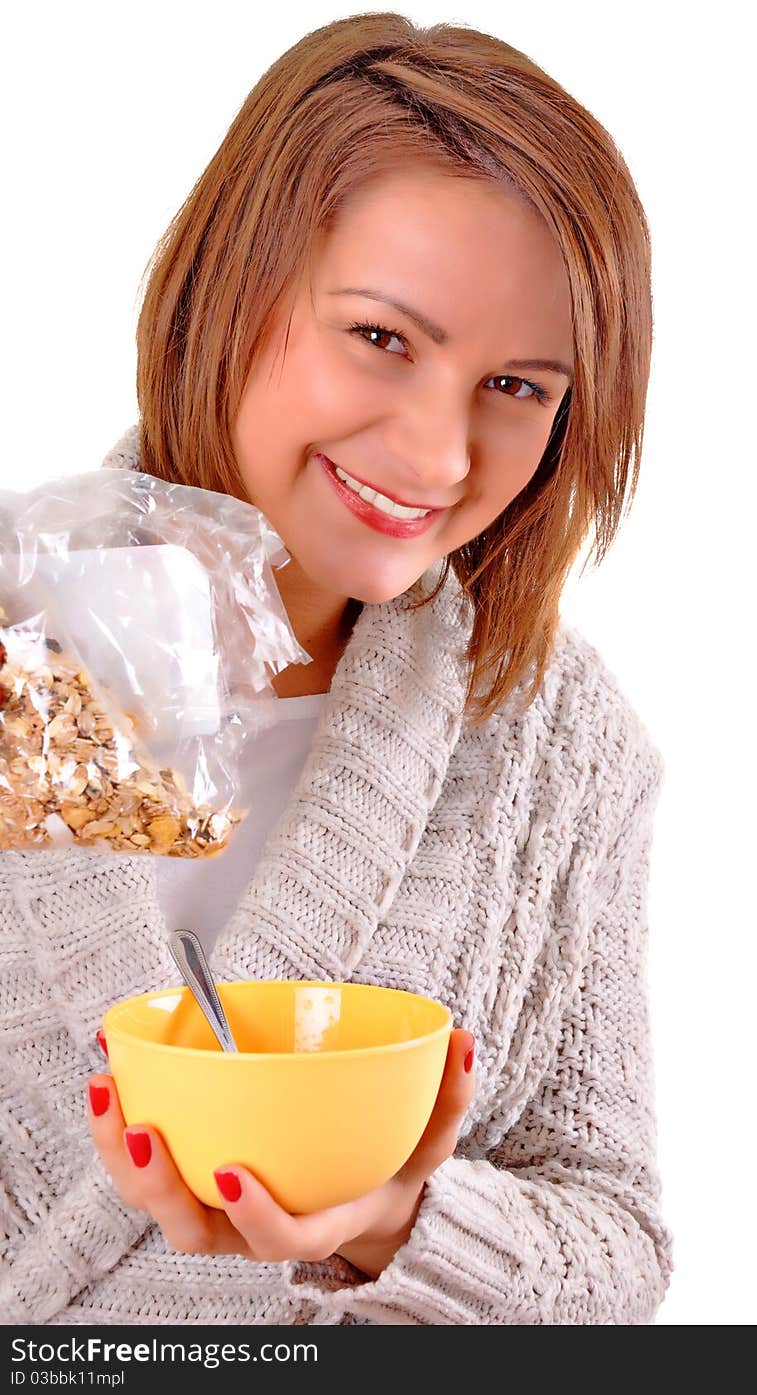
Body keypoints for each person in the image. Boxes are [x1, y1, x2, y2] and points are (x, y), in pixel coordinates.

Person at [0, 13, 673, 1325]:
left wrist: (392, 1222)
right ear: (231, 283)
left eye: (519, 387)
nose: (434, 456)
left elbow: (614, 1244)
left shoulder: (560, 743)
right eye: (380, 337)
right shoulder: (33, 644)